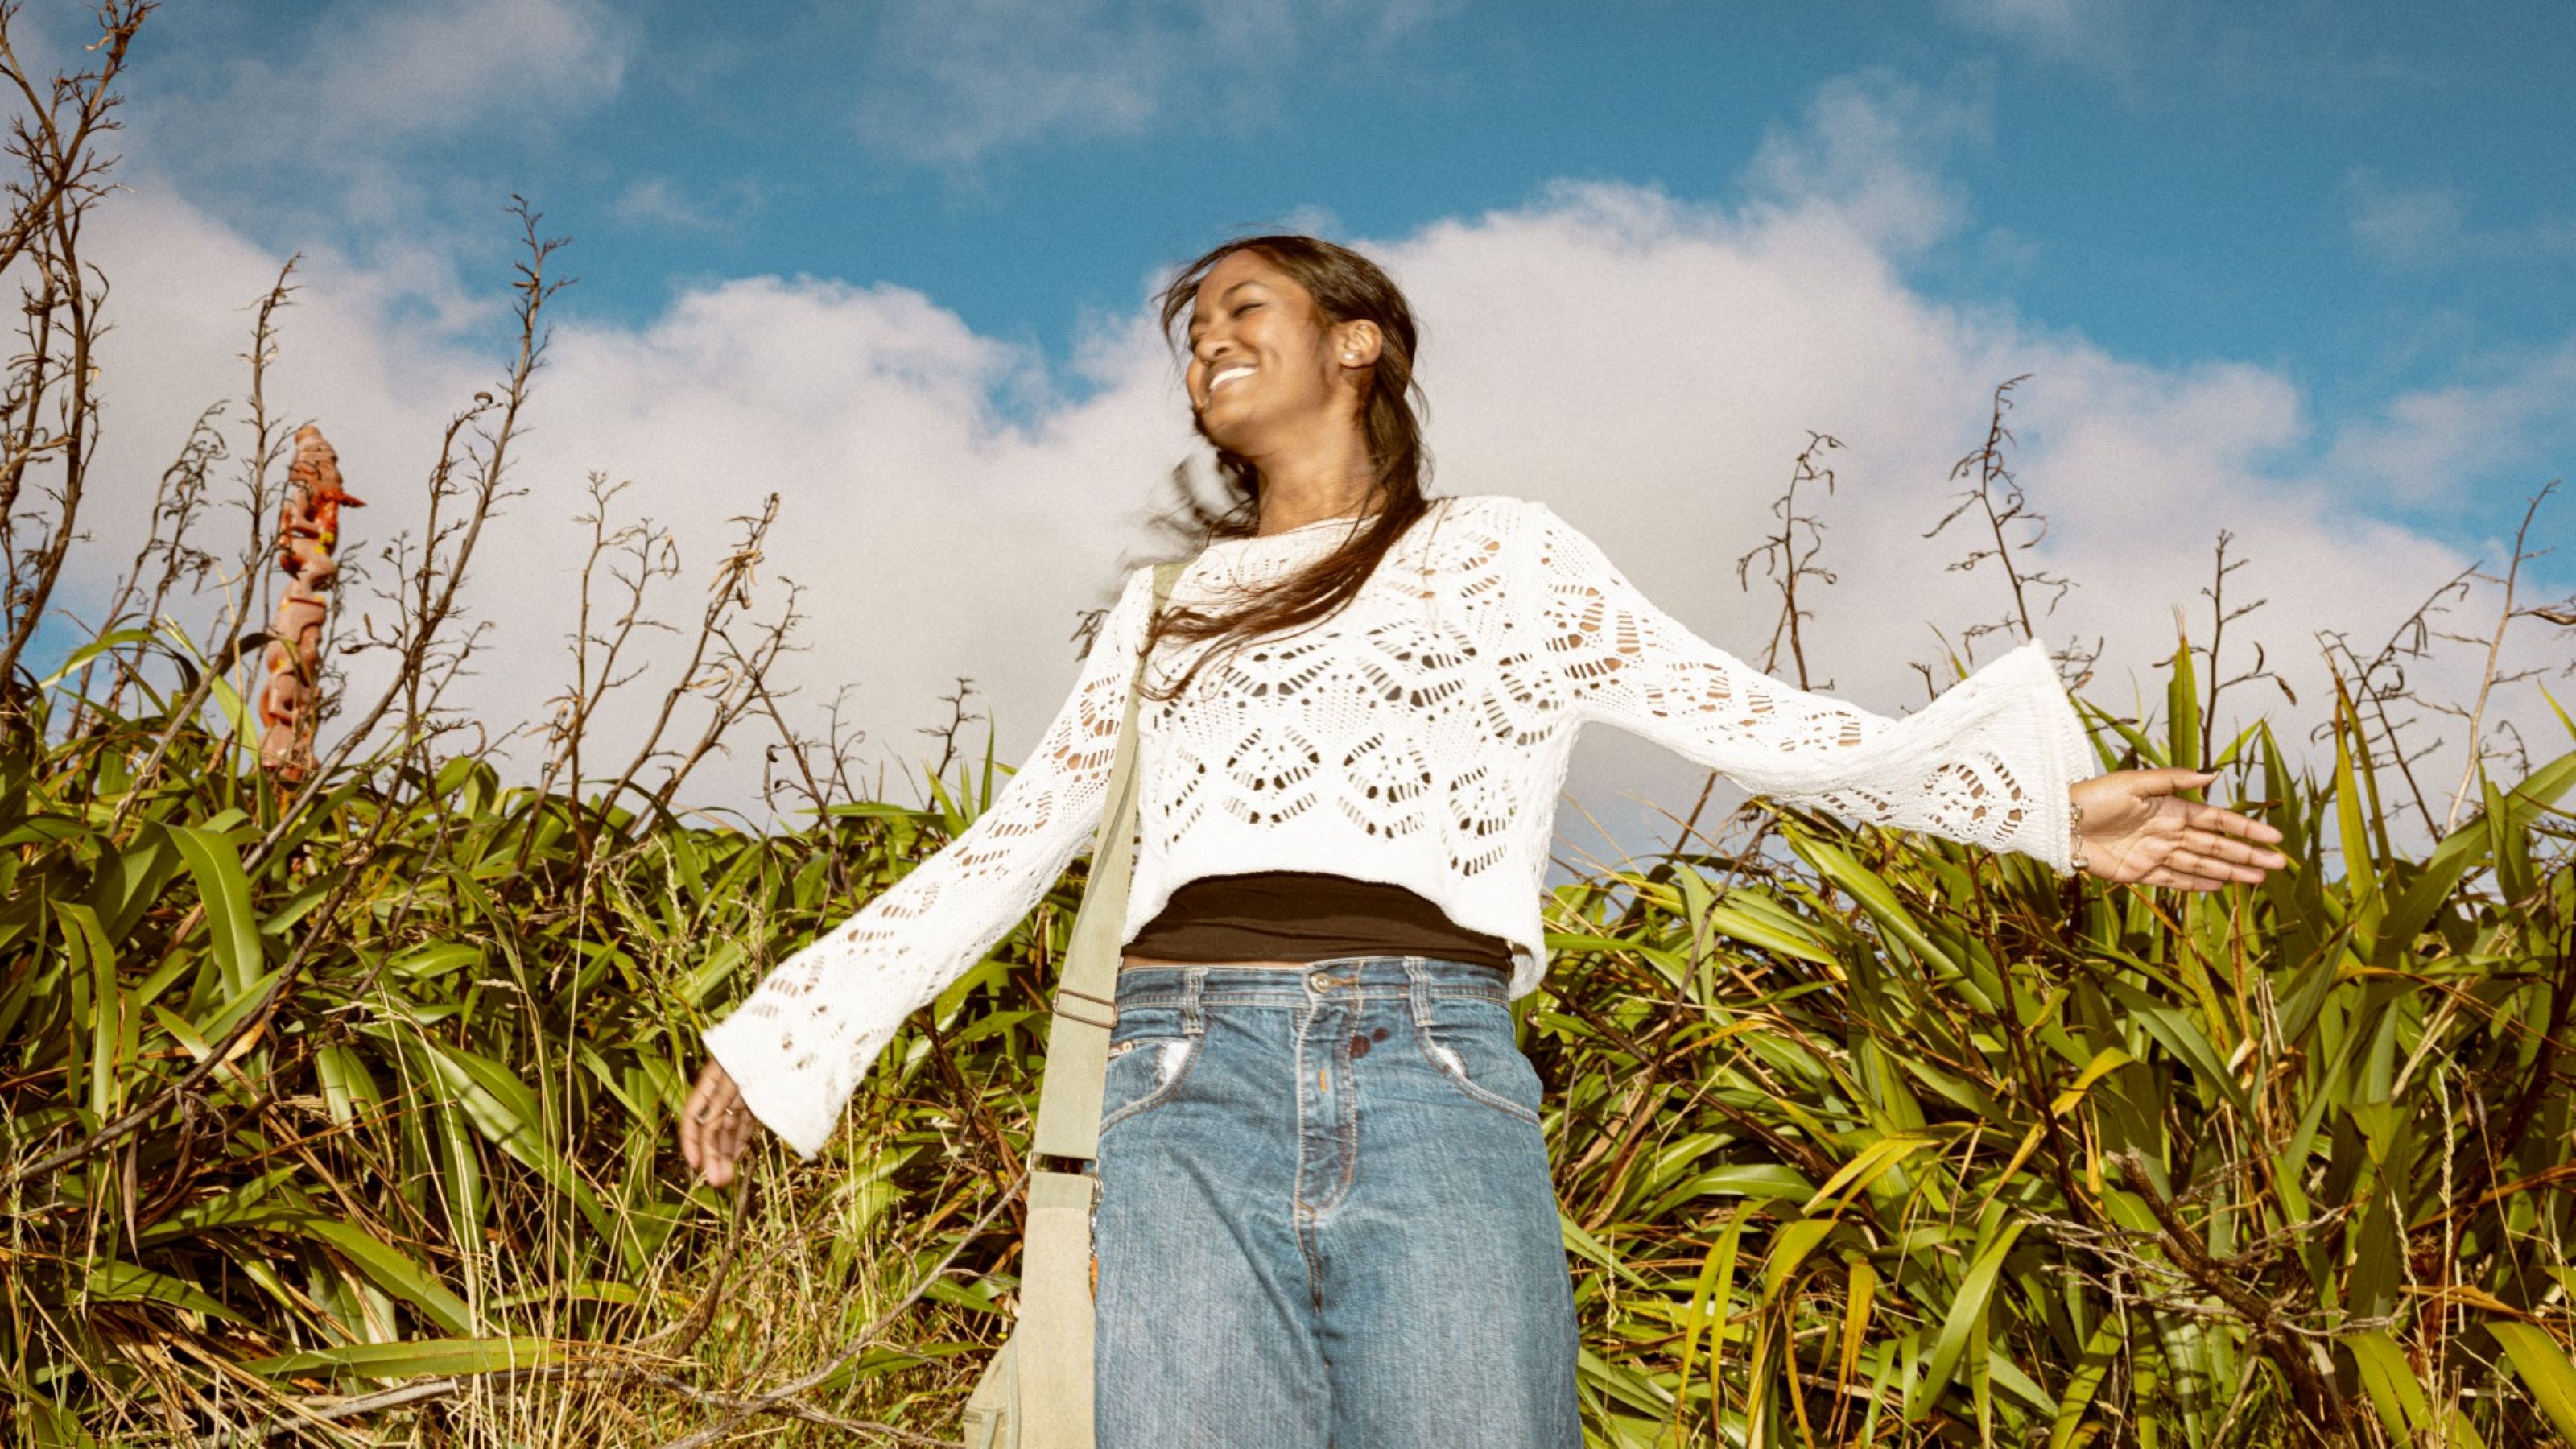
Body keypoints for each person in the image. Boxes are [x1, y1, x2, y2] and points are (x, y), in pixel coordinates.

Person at [677, 234, 2288, 1446]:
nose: (1207, 347)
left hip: (1430, 1065)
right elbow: (1018, 837)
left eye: (1245, 311)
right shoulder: (1166, 611)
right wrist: (786, 1037)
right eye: (1190, 335)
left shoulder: (1500, 557)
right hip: (1177, 1081)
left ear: (1358, 344)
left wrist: (2037, 807)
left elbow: (1738, 714)